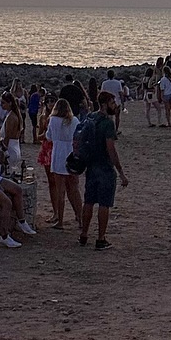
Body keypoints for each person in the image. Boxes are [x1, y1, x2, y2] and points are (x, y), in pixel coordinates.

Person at [77, 90, 128, 250]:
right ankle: (101, 238)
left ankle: (84, 234)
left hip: (91, 165)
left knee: (89, 201)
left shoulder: (91, 117)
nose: (115, 106)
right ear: (105, 104)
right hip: (104, 167)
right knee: (104, 204)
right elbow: (111, 149)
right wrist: (120, 171)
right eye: (112, 103)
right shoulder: (107, 123)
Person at [43, 98, 80, 229]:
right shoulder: (74, 121)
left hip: (58, 154)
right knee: (74, 189)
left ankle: (60, 220)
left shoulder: (53, 120)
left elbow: (49, 137)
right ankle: (80, 218)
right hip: (71, 154)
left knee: (60, 191)